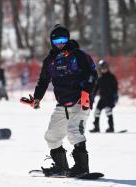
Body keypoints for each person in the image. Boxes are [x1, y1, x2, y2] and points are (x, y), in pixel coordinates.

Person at [30, 24, 98, 177]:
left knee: (74, 131)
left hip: (80, 101)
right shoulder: (50, 61)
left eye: (63, 39)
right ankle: (61, 167)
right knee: (51, 136)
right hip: (62, 104)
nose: (60, 43)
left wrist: (87, 92)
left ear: (68, 39)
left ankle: (81, 167)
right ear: (52, 41)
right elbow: (43, 81)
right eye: (57, 40)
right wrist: (37, 98)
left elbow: (93, 74)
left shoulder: (78, 55)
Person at [90, 60, 119, 133]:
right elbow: (96, 88)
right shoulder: (100, 78)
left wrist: (115, 97)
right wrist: (92, 96)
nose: (104, 69)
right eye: (102, 68)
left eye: (105, 68)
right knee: (96, 112)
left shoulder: (111, 77)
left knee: (108, 112)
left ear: (107, 68)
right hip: (102, 98)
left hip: (109, 98)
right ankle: (96, 127)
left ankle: (111, 127)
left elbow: (115, 88)